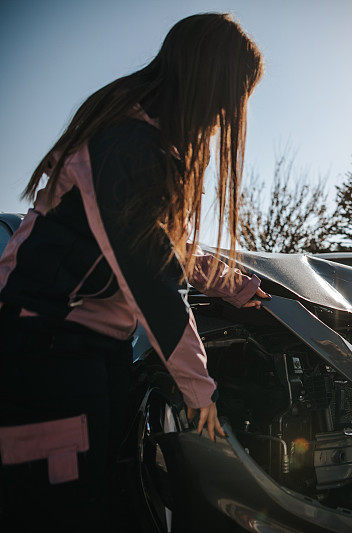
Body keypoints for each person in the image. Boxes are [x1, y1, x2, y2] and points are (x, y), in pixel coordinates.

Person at [0, 14, 266, 532]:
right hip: (41, 350)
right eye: (233, 94)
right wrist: (200, 390)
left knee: (117, 501)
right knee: (60, 513)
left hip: (93, 352)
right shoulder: (125, 143)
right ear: (206, 79)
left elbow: (165, 248)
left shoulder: (149, 146)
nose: (226, 115)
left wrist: (235, 285)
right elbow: (151, 275)